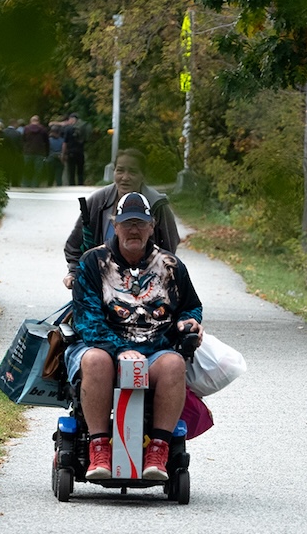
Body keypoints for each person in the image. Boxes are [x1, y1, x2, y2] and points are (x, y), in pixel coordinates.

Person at [65, 192, 204, 480]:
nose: (134, 230)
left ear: (152, 226)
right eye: (127, 223)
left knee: (174, 364)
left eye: (140, 223)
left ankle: (158, 450)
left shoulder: (171, 266)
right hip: (100, 345)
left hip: (155, 347)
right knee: (95, 361)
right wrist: (119, 350)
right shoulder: (93, 262)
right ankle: (99, 449)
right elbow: (87, 321)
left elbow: (190, 305)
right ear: (115, 225)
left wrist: (190, 323)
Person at [62, 148, 180, 289]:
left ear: (143, 175)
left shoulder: (157, 205)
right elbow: (74, 245)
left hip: (145, 285)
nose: (125, 177)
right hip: (101, 282)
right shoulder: (98, 201)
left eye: (132, 172)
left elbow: (169, 247)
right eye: (120, 170)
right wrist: (74, 272)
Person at [61, 112, 90, 185]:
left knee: (71, 172)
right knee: (80, 172)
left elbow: (65, 143)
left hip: (71, 153)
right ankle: (81, 185)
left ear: (72, 119)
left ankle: (72, 186)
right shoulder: (83, 128)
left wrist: (63, 154)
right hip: (80, 152)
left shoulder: (68, 129)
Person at [21, 115, 49, 187]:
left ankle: (25, 184)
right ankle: (35, 184)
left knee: (27, 168)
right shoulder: (43, 129)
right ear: (38, 121)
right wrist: (46, 153)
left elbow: (23, 140)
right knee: (38, 170)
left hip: (28, 152)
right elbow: (46, 142)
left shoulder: (26, 129)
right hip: (39, 152)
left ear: (31, 121)